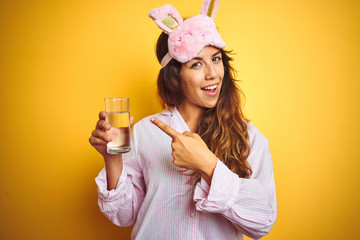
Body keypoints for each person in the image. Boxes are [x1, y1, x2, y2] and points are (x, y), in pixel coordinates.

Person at [89, 0, 277, 239]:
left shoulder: (250, 138)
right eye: (197, 63)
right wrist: (112, 160)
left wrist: (208, 165)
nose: (212, 74)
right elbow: (124, 216)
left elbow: (263, 222)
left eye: (216, 59)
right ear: (175, 77)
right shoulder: (145, 132)